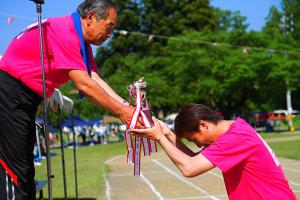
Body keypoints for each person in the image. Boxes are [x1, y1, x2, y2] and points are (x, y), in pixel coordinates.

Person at [0, 0, 137, 199]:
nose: (109, 35)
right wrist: (123, 112)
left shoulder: (81, 40)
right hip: (10, 95)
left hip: (24, 100)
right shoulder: (65, 32)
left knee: (25, 169)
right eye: (108, 27)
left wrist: (128, 107)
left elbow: (94, 79)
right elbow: (84, 85)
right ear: (90, 18)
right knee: (16, 171)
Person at [131, 103, 297, 200]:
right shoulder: (233, 130)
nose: (197, 145)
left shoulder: (234, 138)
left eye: (195, 139)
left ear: (203, 125)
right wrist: (167, 133)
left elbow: (189, 168)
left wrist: (160, 137)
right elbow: (195, 159)